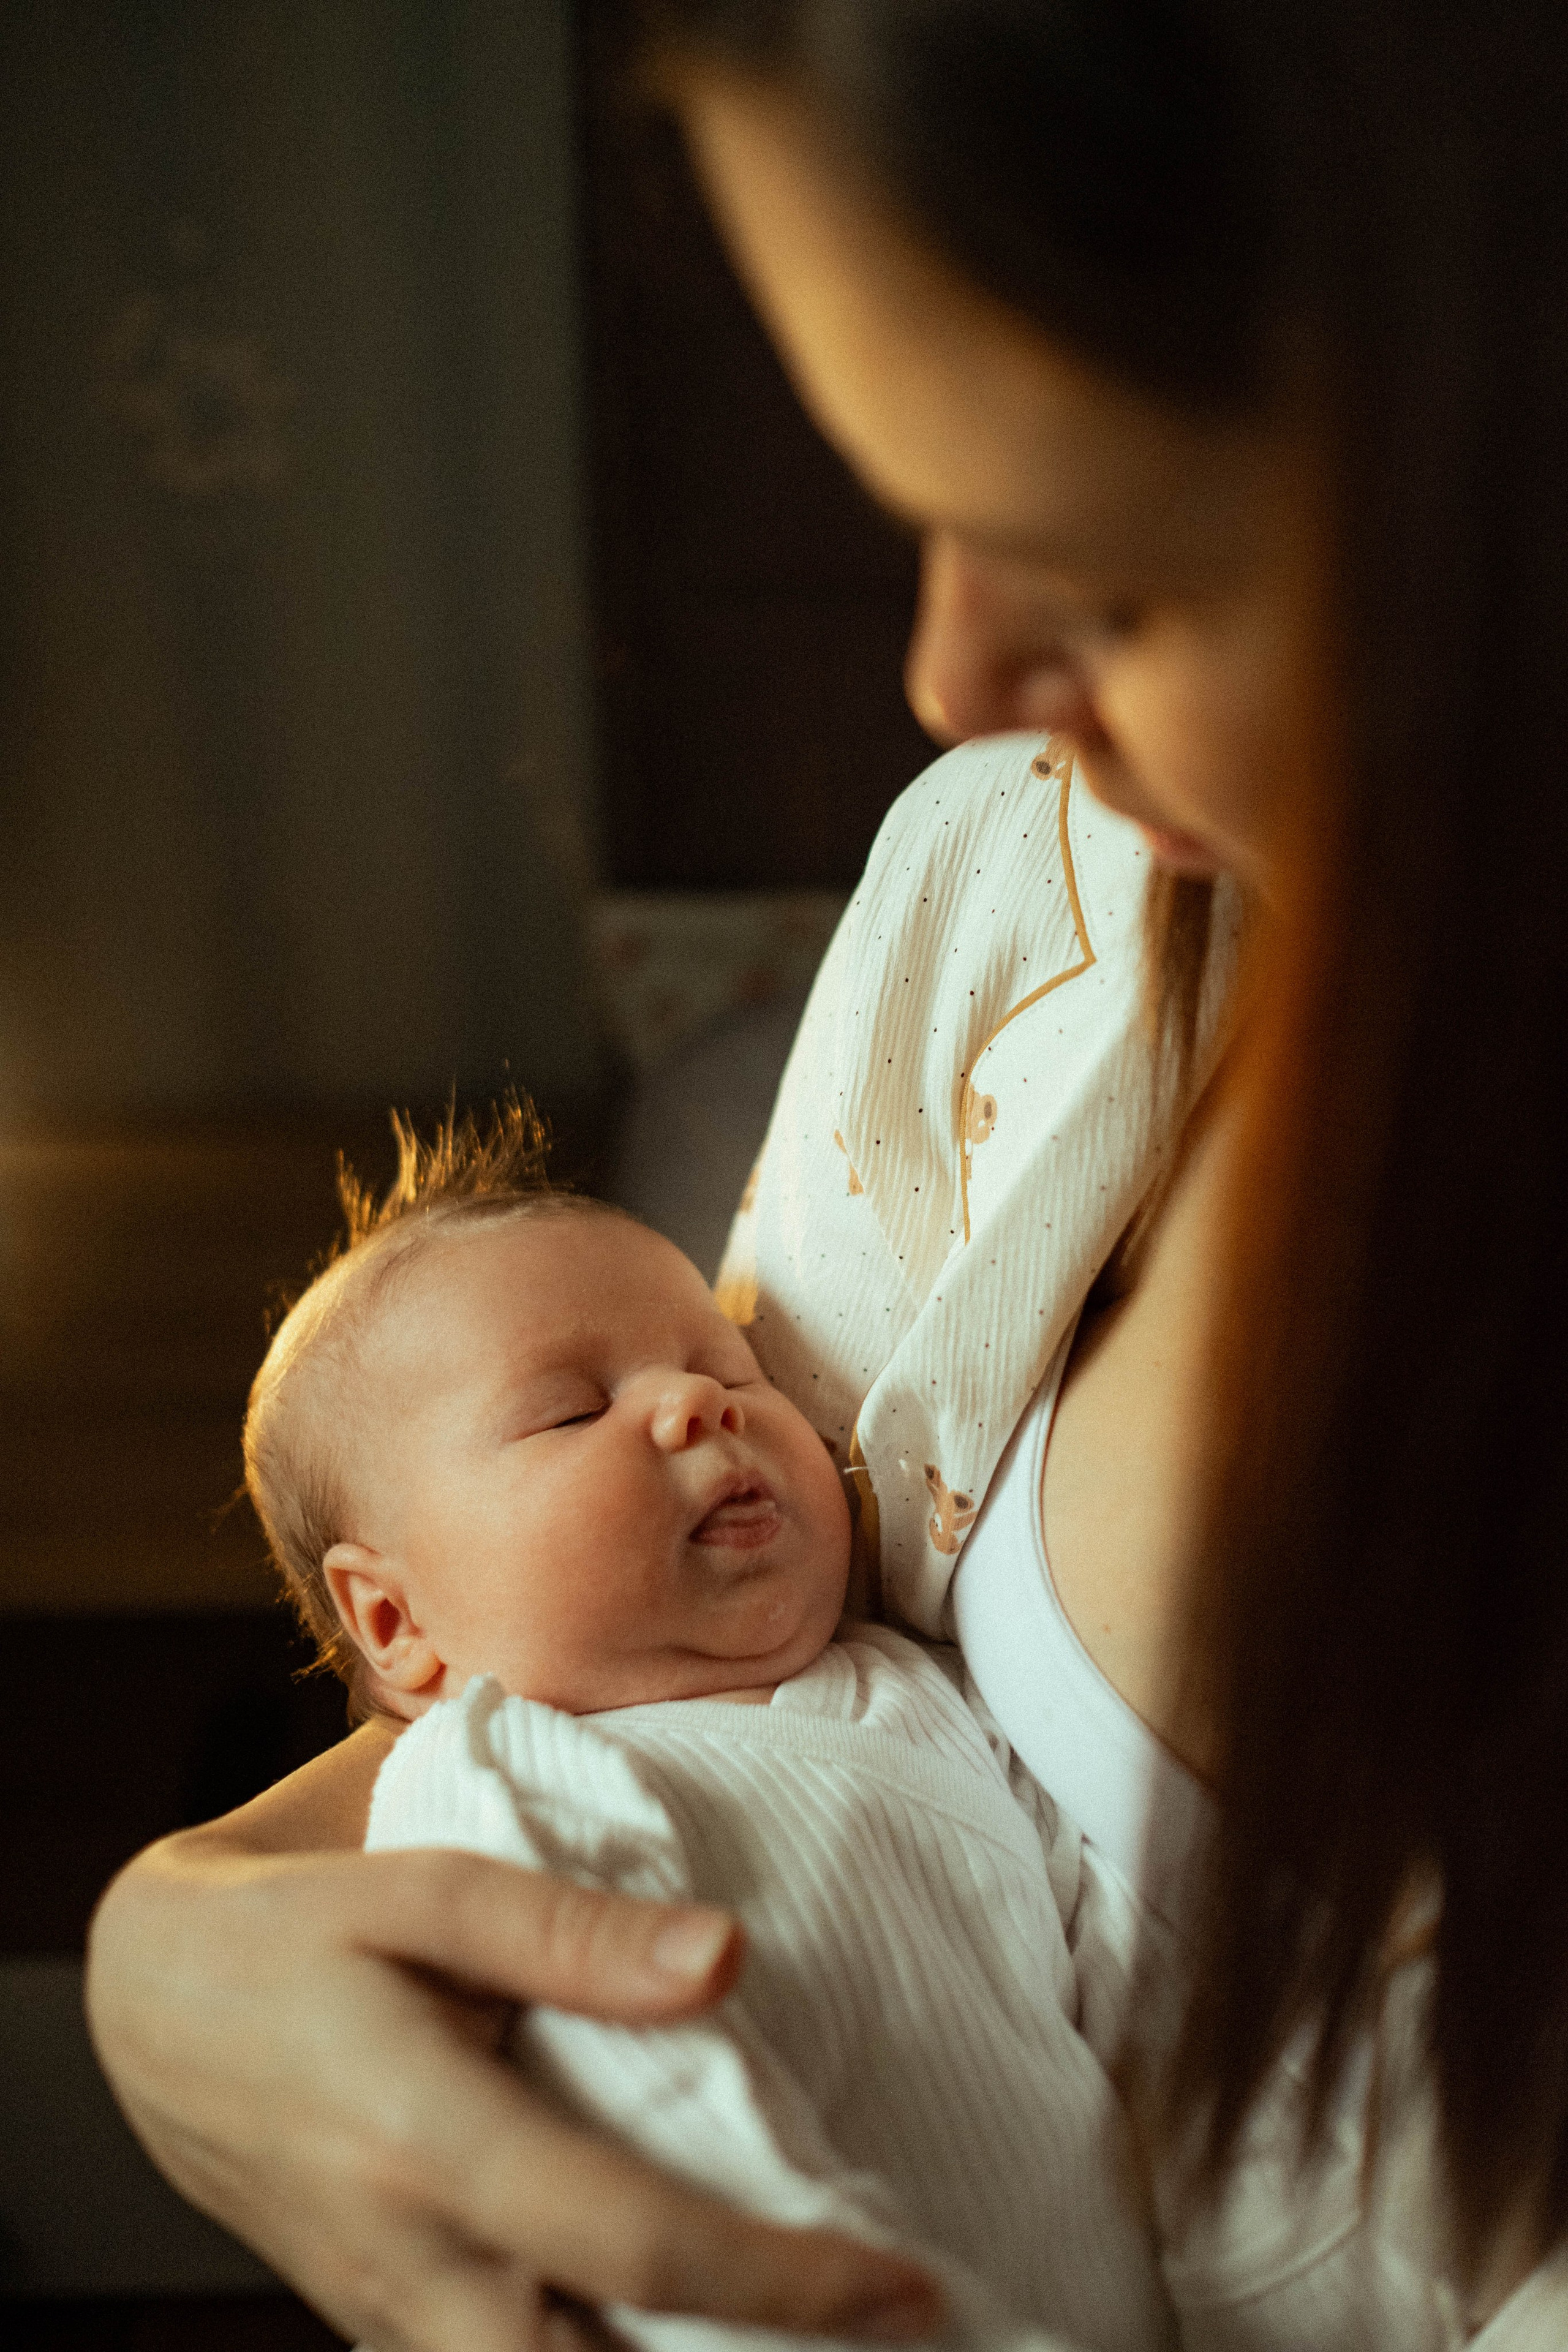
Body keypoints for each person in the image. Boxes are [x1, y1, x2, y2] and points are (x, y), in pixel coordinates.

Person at [83, 3, 1568, 2347]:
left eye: (1107, 558)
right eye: (923, 510)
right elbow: (604, 1673)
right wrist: (172, 1940)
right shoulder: (1013, 891)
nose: (953, 675)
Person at [242, 1112, 1172, 2351]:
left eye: (732, 1370)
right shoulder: (493, 1785)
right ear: (397, 1620)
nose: (697, 1402)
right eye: (573, 1411)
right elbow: (653, 2130)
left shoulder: (929, 1695)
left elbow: (1127, 1958)